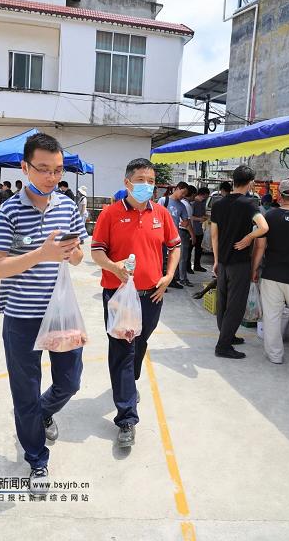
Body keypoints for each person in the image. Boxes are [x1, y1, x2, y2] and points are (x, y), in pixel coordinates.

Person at [0, 132, 88, 491]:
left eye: (58, 170)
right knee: (25, 393)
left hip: (60, 313)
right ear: (25, 167)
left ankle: (44, 413)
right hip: (21, 317)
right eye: (43, 169)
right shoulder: (9, 211)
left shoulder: (67, 205)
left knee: (70, 381)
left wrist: (73, 253)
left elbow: (77, 256)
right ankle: (36, 458)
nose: (51, 177)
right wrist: (39, 255)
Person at [91, 158, 180, 448]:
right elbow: (97, 252)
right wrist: (115, 268)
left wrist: (168, 276)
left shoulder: (162, 214)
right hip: (119, 296)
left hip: (152, 296)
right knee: (123, 351)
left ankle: (129, 381)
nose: (146, 186)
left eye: (151, 181)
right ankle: (127, 418)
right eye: (141, 180)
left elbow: (175, 246)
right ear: (127, 182)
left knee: (139, 344)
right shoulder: (110, 214)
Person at [211, 165, 268, 359]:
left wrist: (217, 260)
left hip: (224, 261)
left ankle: (227, 335)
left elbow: (214, 236)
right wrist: (249, 238)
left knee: (223, 302)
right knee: (236, 305)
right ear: (250, 182)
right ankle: (223, 346)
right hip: (239, 263)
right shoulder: (249, 204)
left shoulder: (218, 203)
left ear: (233, 180)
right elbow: (264, 227)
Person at [252, 177, 289, 365]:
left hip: (272, 275)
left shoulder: (269, 217)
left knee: (272, 318)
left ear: (280, 195)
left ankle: (275, 355)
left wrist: (254, 270)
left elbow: (260, 247)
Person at [158, 181, 189, 288]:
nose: (183, 196)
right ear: (177, 188)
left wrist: (185, 222)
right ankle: (160, 281)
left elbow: (186, 221)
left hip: (173, 237)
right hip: (161, 235)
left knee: (173, 258)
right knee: (161, 258)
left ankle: (171, 280)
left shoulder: (182, 206)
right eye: (183, 193)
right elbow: (155, 216)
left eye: (185, 195)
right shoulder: (163, 200)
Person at [188, 187, 210, 273]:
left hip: (200, 230)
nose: (206, 199)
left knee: (199, 250)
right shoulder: (193, 203)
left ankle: (197, 265)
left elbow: (203, 213)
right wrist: (199, 219)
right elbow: (190, 217)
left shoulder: (203, 202)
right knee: (189, 250)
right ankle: (188, 267)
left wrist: (205, 216)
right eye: (205, 197)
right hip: (192, 230)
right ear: (202, 195)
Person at [179, 185, 196, 286]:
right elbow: (187, 223)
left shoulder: (182, 203)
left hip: (180, 231)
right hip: (183, 232)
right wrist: (193, 235)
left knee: (180, 256)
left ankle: (178, 276)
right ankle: (183, 278)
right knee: (184, 257)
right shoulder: (187, 205)